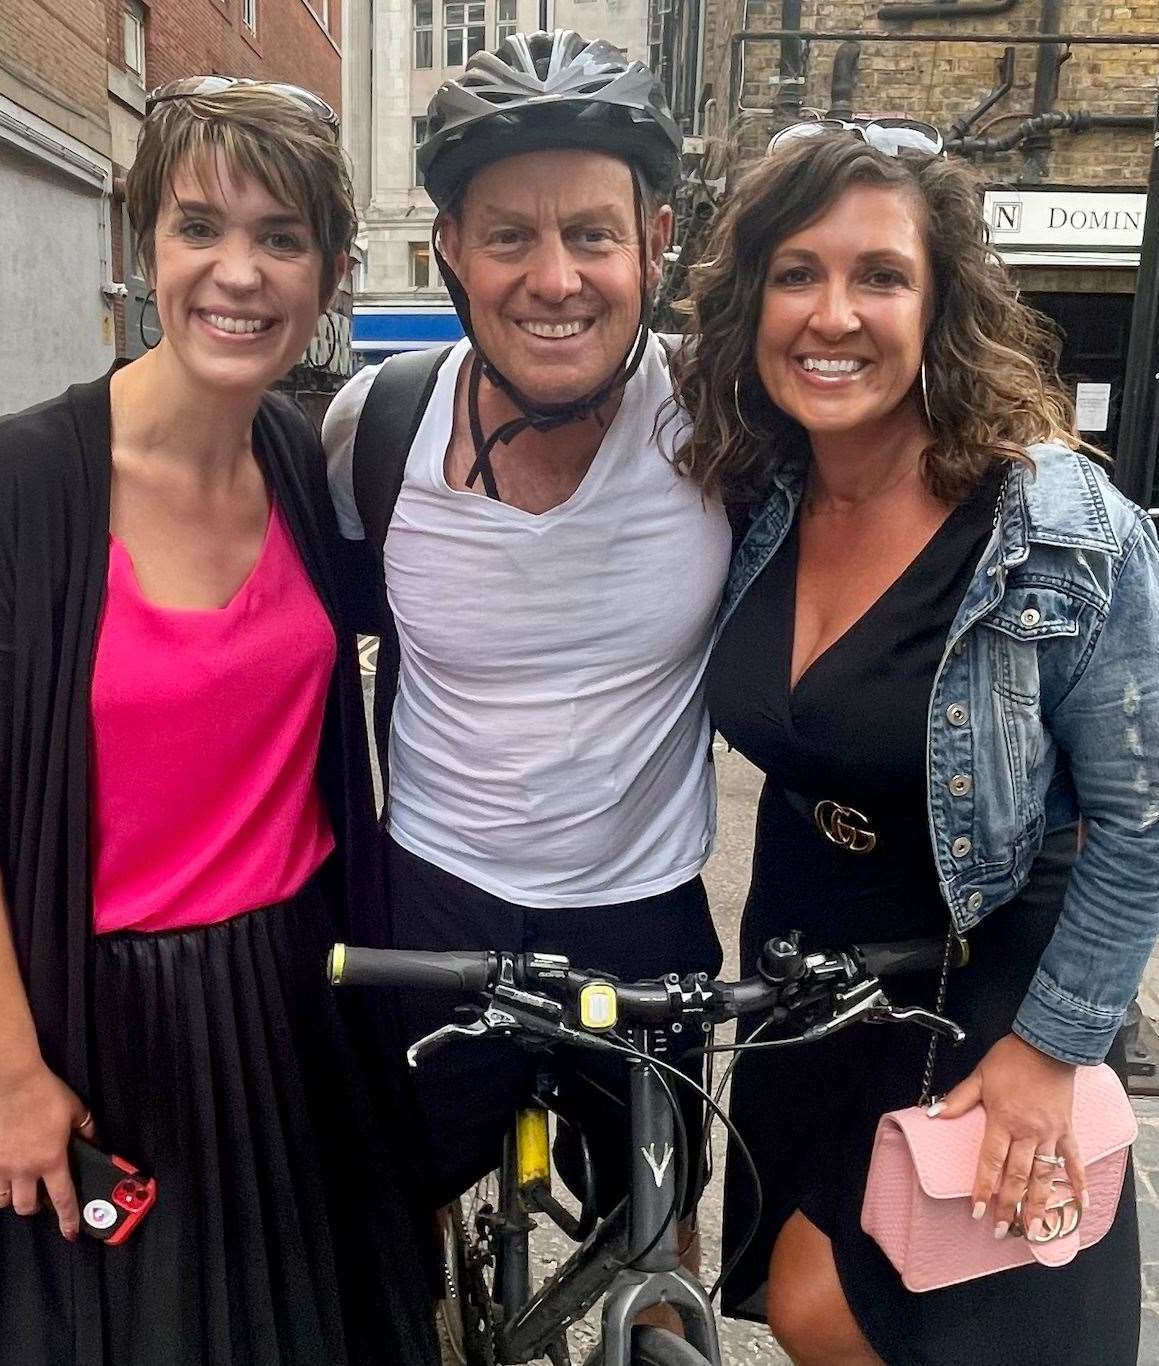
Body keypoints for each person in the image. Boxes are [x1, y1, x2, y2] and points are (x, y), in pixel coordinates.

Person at [0, 79, 438, 1366]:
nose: (237, 272)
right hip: (87, 1024)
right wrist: (9, 1082)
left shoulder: (299, 460)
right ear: (147, 251)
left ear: (331, 272)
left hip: (293, 1007)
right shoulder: (7, 494)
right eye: (200, 227)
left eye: (282, 237)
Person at [672, 124, 1159, 1364]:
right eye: (796, 272)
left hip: (989, 966)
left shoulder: (1059, 523)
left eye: (880, 276)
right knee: (815, 1302)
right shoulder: (762, 493)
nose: (832, 313)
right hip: (812, 965)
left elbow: (1153, 807)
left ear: (940, 302)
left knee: (865, 1307)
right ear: (753, 300)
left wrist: (1054, 1047)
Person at [321, 32, 730, 1230]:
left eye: (592, 233)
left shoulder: (724, 426)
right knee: (400, 1229)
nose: (554, 278)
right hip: (435, 897)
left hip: (644, 905)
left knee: (657, 1257)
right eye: (509, 235)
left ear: (653, 242)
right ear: (450, 248)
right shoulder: (378, 426)